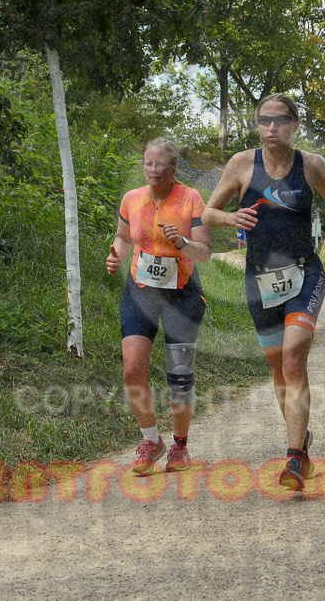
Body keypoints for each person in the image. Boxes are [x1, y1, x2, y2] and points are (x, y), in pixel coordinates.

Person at [202, 93, 325, 491]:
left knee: (294, 355)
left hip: (304, 271)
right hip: (260, 279)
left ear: (295, 125)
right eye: (264, 120)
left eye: (280, 120)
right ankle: (302, 444)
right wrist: (229, 217)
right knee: (279, 369)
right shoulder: (241, 164)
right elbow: (207, 212)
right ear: (257, 124)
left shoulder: (312, 165)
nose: (271, 127)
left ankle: (293, 459)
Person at [106, 138, 212, 473]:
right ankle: (151, 440)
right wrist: (115, 257)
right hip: (140, 291)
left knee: (179, 374)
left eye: (159, 164)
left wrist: (181, 241)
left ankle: (180, 447)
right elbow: (123, 238)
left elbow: (204, 252)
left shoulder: (191, 199)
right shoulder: (132, 199)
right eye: (147, 163)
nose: (152, 170)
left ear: (173, 168)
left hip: (182, 294)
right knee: (132, 369)